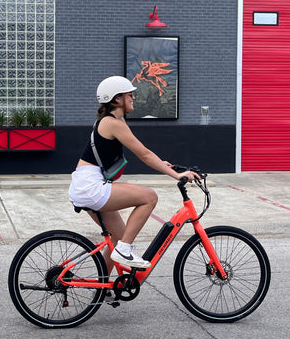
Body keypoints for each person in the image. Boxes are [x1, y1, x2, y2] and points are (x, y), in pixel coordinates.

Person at [69, 76, 199, 270]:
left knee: (119, 236)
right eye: (129, 94)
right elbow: (144, 154)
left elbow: (143, 152)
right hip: (91, 186)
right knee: (149, 197)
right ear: (117, 99)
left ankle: (103, 287)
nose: (133, 98)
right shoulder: (112, 123)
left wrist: (162, 164)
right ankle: (124, 250)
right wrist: (177, 176)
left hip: (87, 184)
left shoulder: (115, 120)